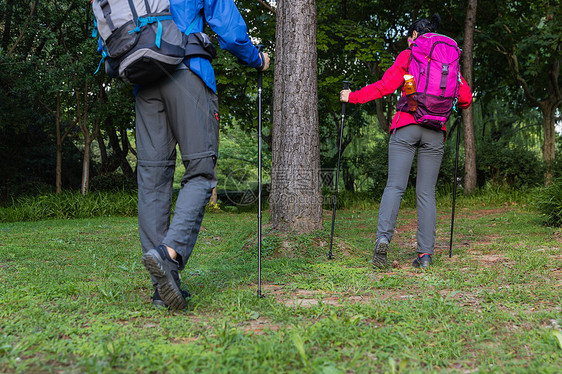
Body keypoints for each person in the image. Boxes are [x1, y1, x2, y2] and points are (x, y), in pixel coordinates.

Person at [137, 0, 270, 309]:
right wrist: (257, 59)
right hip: (185, 71)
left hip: (144, 79)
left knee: (153, 180)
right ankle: (168, 254)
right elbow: (230, 30)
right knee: (200, 172)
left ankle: (162, 288)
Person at [340, 14, 472, 269]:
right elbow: (465, 98)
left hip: (406, 126)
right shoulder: (449, 58)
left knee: (395, 187)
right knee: (426, 193)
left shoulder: (409, 55)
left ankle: (383, 240)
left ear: (413, 36)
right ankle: (425, 256)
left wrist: (353, 96)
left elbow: (384, 86)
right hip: (435, 131)